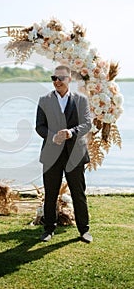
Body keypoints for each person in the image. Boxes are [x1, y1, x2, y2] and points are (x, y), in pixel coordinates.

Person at [35, 65, 93, 243]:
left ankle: (84, 230)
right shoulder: (44, 100)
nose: (57, 81)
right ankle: (48, 229)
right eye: (54, 78)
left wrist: (71, 132)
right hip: (51, 155)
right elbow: (39, 126)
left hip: (75, 154)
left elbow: (87, 124)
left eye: (61, 78)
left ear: (69, 79)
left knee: (78, 193)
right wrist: (53, 137)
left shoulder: (81, 100)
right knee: (51, 194)